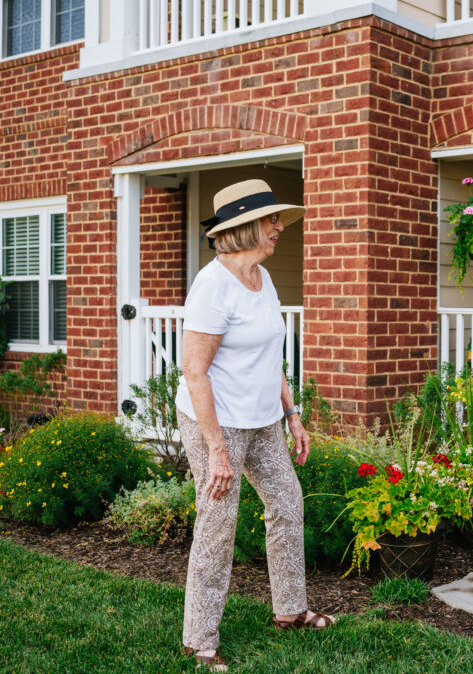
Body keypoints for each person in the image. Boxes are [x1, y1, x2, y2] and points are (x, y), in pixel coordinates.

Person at [176, 179, 334, 671]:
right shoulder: (213, 285)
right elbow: (194, 370)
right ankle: (200, 639)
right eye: (271, 220)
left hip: (264, 419)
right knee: (218, 523)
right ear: (244, 228)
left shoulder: (262, 279)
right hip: (217, 422)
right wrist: (217, 450)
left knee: (287, 502)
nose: (280, 227)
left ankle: (289, 610)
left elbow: (271, 356)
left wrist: (292, 414)